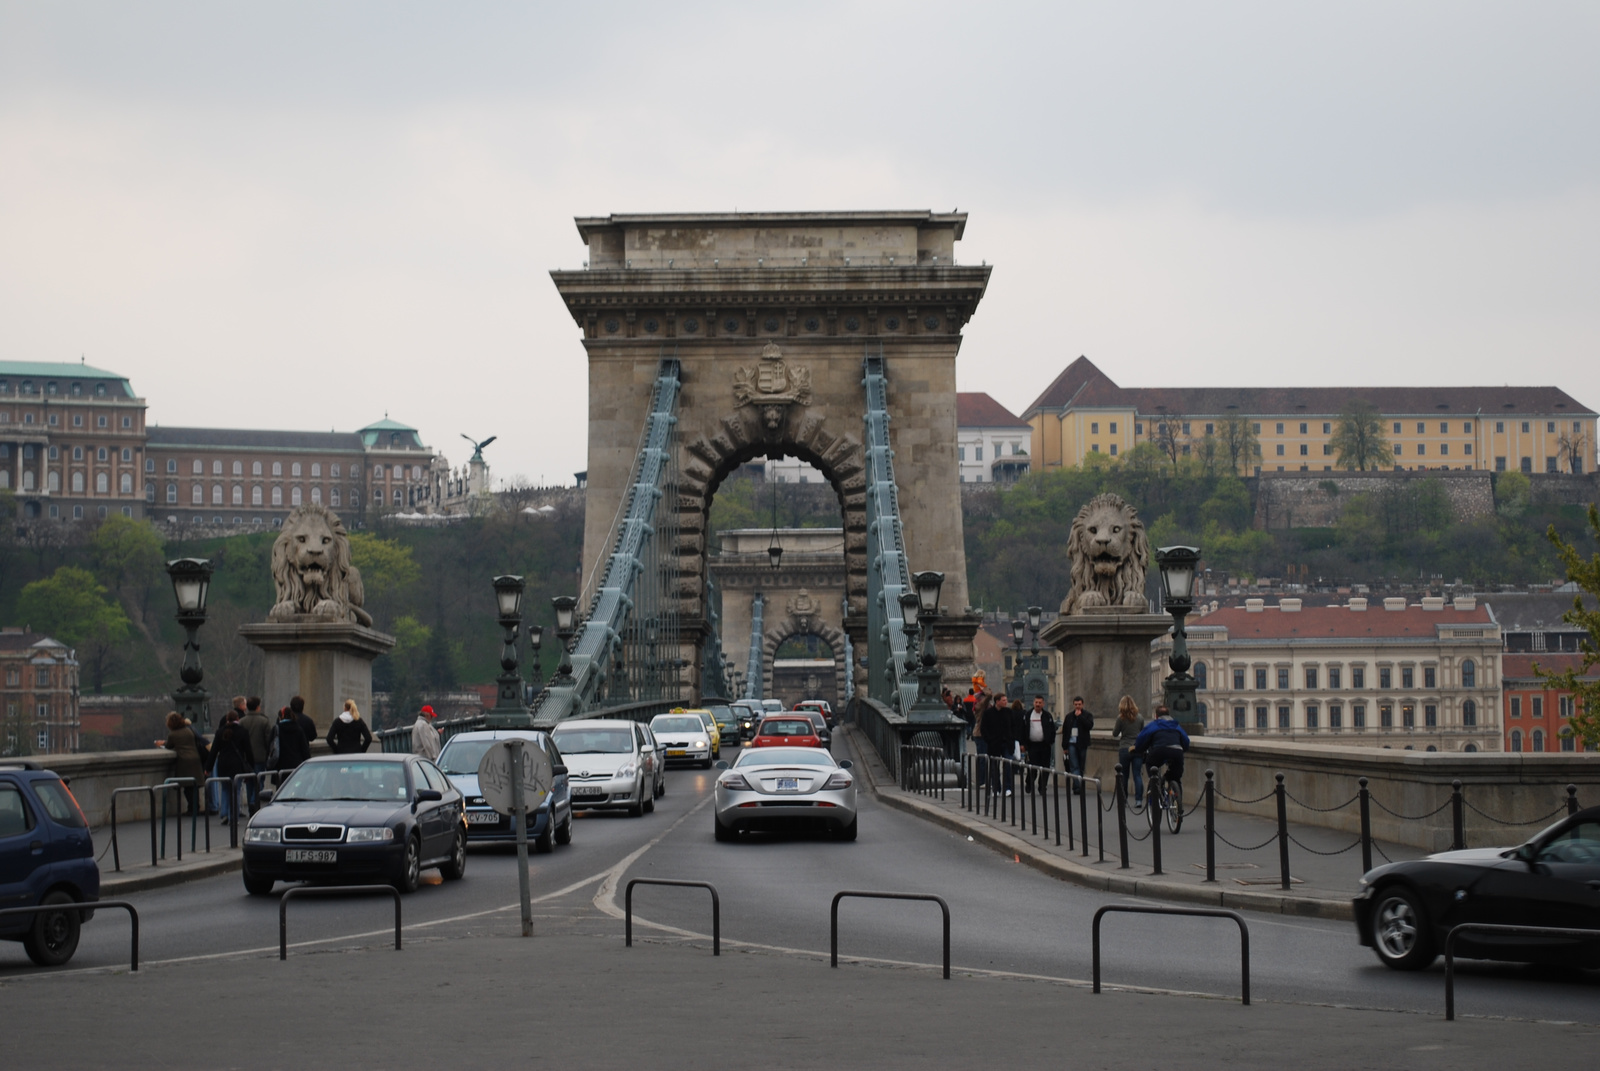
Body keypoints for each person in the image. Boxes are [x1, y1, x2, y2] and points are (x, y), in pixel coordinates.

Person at [1132, 704, 1191, 802]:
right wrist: (1181, 750)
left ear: (1156, 716)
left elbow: (1141, 739)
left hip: (1159, 751)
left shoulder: (1154, 724)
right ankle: (1178, 802)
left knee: (1151, 765)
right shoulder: (1176, 725)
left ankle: (1155, 785)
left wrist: (1138, 749)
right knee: (1176, 777)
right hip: (1177, 752)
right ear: (1169, 714)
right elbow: (1186, 742)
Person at [208, 709, 255, 821]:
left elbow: (214, 751)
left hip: (223, 764)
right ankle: (233, 815)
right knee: (236, 790)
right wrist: (251, 767)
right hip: (237, 764)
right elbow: (248, 751)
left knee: (225, 789)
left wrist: (208, 768)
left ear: (227, 719)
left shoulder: (220, 732)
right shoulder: (242, 731)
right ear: (238, 719)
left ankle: (224, 812)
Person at [162, 712, 205, 815]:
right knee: (194, 786)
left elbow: (169, 746)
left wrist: (162, 743)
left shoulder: (173, 734)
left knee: (187, 787)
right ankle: (196, 807)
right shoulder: (188, 730)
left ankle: (192, 809)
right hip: (195, 759)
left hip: (184, 761)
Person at [1110, 695, 1147, 805]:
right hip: (1137, 748)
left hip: (1124, 748)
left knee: (1124, 775)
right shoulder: (1140, 717)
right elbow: (1143, 733)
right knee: (1137, 774)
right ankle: (1139, 800)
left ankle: (1123, 799)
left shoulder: (1120, 718)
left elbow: (1115, 733)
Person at [238, 697, 271, 806]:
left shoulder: (242, 721)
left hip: (246, 758)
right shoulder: (264, 721)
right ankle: (254, 801)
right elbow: (268, 741)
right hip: (260, 756)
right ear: (258, 707)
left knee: (249, 783)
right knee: (259, 781)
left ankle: (250, 803)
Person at [1022, 695, 1057, 795]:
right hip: (1032, 745)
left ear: (1043, 704)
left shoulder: (1047, 716)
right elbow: (1023, 730)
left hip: (1045, 745)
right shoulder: (1028, 715)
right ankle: (1029, 783)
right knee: (1033, 767)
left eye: (1040, 703)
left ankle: (1042, 786)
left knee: (1045, 767)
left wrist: (1050, 741)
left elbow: (1052, 730)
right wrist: (1023, 744)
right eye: (1036, 702)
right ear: (1033, 703)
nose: (1038, 704)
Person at [1063, 696, 1095, 795]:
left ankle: (1078, 784)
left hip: (1082, 743)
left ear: (1082, 705)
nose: (1077, 706)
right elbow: (1065, 731)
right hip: (1071, 743)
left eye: (1079, 705)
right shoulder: (1069, 716)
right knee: (1074, 766)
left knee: (1081, 766)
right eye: (1076, 705)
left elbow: (1089, 725)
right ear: (1073, 705)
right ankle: (1078, 786)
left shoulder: (1087, 715)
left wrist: (1080, 717)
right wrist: (1064, 746)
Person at [273, 705, 311, 773]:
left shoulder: (276, 729)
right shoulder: (299, 730)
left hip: (280, 765)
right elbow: (305, 749)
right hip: (295, 765)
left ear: (280, 717)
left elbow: (271, 746)